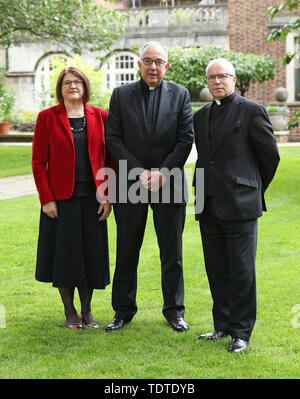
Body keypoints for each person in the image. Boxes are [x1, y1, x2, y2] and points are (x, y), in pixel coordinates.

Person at [105, 41, 194, 332]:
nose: (153, 66)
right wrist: (140, 171)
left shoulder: (180, 95)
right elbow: (113, 139)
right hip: (130, 183)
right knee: (126, 248)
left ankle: (174, 311)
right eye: (147, 61)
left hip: (169, 184)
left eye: (159, 61)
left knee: (172, 252)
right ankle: (123, 310)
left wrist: (163, 173)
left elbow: (185, 139)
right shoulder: (120, 95)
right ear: (139, 64)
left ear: (166, 66)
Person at [193, 58, 280, 352]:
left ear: (234, 78)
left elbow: (270, 158)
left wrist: (251, 188)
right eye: (212, 78)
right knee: (216, 268)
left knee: (242, 271)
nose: (217, 82)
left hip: (241, 206)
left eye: (223, 76)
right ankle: (223, 326)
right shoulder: (201, 116)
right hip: (208, 203)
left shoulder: (253, 111)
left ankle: (241, 333)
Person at [32, 66, 115, 329]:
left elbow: (110, 160)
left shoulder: (101, 116)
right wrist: (46, 199)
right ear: (60, 88)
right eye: (67, 82)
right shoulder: (47, 118)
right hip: (60, 200)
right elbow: (38, 162)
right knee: (65, 257)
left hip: (93, 199)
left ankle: (87, 312)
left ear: (85, 85)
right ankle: (69, 312)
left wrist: (107, 195)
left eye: (77, 81)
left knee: (90, 255)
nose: (72, 86)